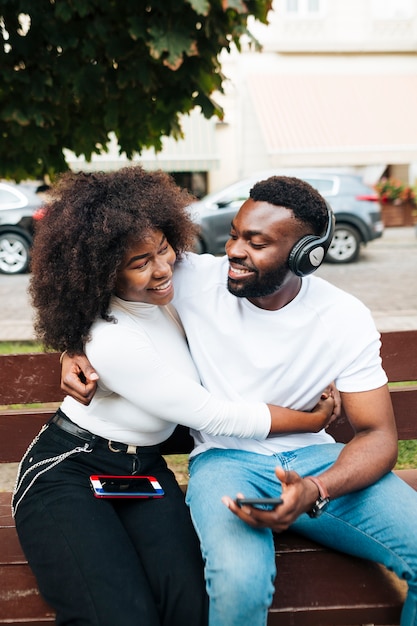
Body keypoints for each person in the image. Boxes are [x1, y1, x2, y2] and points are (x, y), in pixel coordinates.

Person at [62, 174, 417, 626]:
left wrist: (317, 489)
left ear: (305, 256)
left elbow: (378, 435)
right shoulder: (193, 278)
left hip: (318, 463)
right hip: (224, 463)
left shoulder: (343, 318)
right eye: (233, 234)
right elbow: (101, 287)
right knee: (240, 586)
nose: (233, 251)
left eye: (256, 242)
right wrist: (72, 345)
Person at [13, 167, 337, 626]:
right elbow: (212, 415)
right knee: (120, 615)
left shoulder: (173, 290)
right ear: (101, 273)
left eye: (163, 249)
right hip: (71, 469)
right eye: (139, 263)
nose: (162, 269)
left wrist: (71, 347)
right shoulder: (109, 336)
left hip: (143, 470)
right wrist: (311, 419)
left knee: (191, 606)